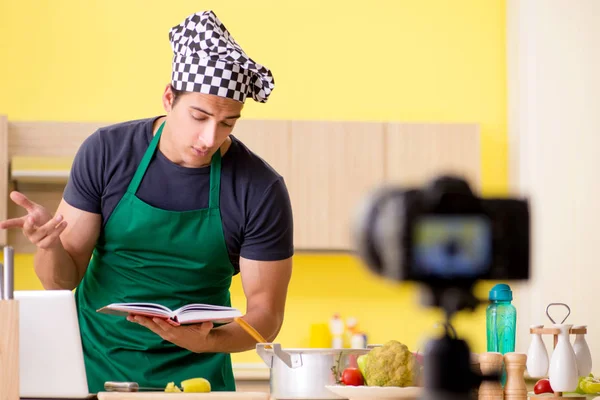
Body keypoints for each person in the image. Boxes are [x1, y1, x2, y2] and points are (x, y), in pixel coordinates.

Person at [0, 10, 293, 393]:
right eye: (199, 116)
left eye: (227, 123)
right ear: (169, 97)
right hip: (92, 372)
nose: (209, 138)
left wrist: (210, 342)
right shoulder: (107, 152)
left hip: (197, 381)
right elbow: (61, 280)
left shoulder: (260, 188)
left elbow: (266, 315)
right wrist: (49, 244)